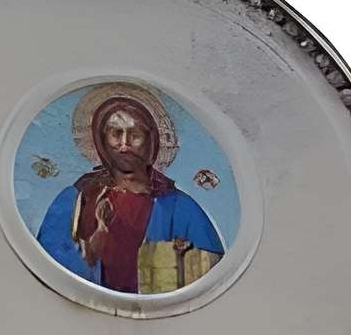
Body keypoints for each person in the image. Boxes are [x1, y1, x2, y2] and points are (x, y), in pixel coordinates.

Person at [35, 94, 225, 295]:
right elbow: (46, 264)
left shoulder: (179, 207)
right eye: (115, 134)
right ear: (101, 140)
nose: (124, 145)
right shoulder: (75, 199)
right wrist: (90, 250)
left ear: (150, 141)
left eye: (134, 135)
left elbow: (210, 273)